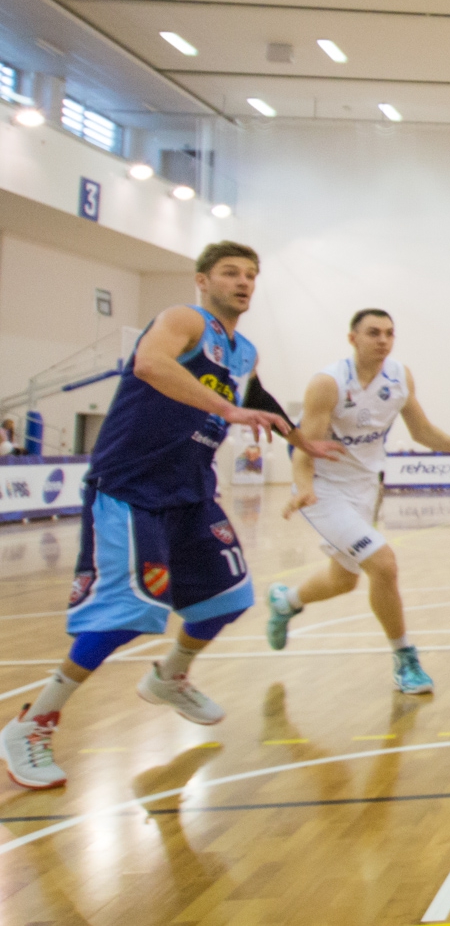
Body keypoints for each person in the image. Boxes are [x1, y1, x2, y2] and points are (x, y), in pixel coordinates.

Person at [2, 242, 341, 789]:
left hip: (191, 492)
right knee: (121, 618)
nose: (244, 282)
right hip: (132, 488)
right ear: (203, 280)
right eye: (231, 272)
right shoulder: (184, 320)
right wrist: (227, 410)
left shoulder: (243, 350)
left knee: (225, 600)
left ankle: (171, 676)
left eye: (252, 275)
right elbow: (150, 363)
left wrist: (303, 438)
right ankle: (32, 722)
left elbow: (257, 394)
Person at [269, 309, 450, 693]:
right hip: (324, 489)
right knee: (384, 565)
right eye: (373, 333)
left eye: (390, 333)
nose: (383, 340)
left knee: (344, 581)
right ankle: (405, 659)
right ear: (352, 338)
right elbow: (304, 448)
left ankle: (286, 601)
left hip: (364, 487)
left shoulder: (400, 377)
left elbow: (422, 432)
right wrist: (303, 485)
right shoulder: (328, 383)